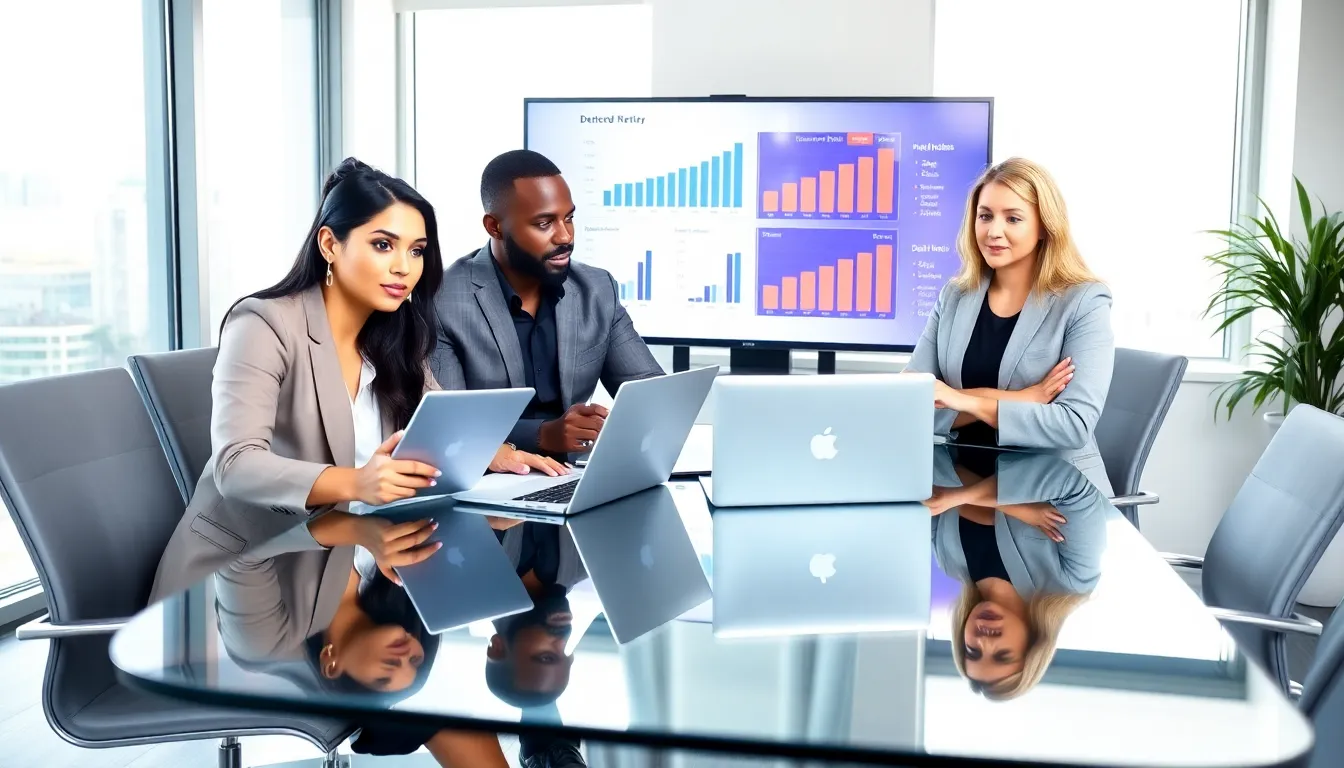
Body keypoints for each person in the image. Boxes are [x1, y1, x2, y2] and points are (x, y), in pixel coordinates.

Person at [150, 157, 546, 599]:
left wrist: (494, 451)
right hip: (243, 576)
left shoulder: (397, 333)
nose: (404, 267)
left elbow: (436, 425)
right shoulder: (263, 323)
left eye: (416, 250)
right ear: (329, 244)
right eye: (383, 245)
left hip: (350, 560)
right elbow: (235, 467)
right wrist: (358, 482)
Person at [431, 149, 664, 461]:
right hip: (490, 482)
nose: (565, 236)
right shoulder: (443, 301)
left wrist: (611, 426)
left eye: (568, 218)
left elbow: (653, 396)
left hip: (574, 477)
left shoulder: (597, 290)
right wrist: (542, 435)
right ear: (494, 227)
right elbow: (447, 427)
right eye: (544, 223)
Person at [906, 157, 1114, 492]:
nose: (993, 231)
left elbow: (1073, 426)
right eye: (985, 215)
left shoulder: (1083, 301)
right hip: (957, 483)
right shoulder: (955, 296)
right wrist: (1025, 398)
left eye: (1013, 218)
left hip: (1052, 499)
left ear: (1045, 226)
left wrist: (965, 401)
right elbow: (907, 406)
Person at [925, 448, 1105, 700]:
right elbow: (1069, 485)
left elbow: (923, 470)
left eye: (972, 651)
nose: (984, 641)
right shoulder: (1072, 583)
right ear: (1032, 645)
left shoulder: (949, 562)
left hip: (956, 425)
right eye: (1003, 654)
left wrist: (1008, 505)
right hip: (1037, 419)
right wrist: (962, 498)